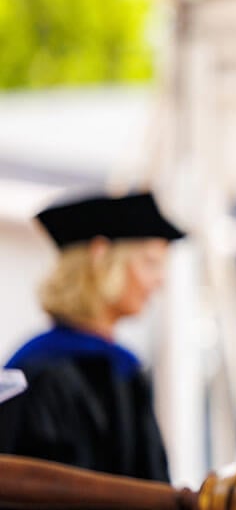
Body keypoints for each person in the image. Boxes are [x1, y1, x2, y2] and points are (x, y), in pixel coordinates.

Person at [0, 192, 184, 482]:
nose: (159, 280)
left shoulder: (122, 369)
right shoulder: (42, 372)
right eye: (150, 262)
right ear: (101, 256)